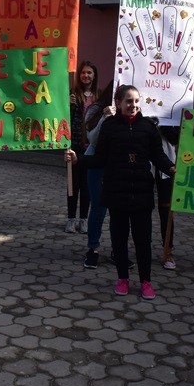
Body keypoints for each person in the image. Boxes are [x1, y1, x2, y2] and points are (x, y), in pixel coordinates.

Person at [66, 85, 175, 300]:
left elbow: (158, 155)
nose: (133, 105)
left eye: (136, 101)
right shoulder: (109, 127)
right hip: (116, 192)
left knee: (143, 240)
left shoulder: (148, 127)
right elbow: (100, 158)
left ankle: (145, 281)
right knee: (119, 238)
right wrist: (79, 159)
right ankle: (122, 278)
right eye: (128, 101)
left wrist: (171, 168)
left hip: (142, 193)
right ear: (118, 102)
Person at [65, 62, 102, 234]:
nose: (86, 76)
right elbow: (65, 120)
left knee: (87, 186)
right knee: (73, 185)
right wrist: (69, 106)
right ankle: (71, 220)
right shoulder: (72, 94)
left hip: (92, 148)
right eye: (83, 73)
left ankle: (84, 220)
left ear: (94, 75)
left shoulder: (99, 96)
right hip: (75, 146)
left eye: (89, 73)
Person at [82, 82, 114, 269]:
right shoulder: (95, 109)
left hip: (118, 164)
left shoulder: (130, 110)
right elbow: (92, 138)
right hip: (96, 162)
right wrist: (104, 117)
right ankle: (93, 248)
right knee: (98, 207)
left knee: (119, 209)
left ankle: (118, 249)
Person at [156, 125, 180, 270]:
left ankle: (168, 251)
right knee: (140, 209)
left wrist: (162, 126)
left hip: (166, 164)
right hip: (142, 163)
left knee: (166, 211)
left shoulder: (172, 117)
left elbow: (176, 137)